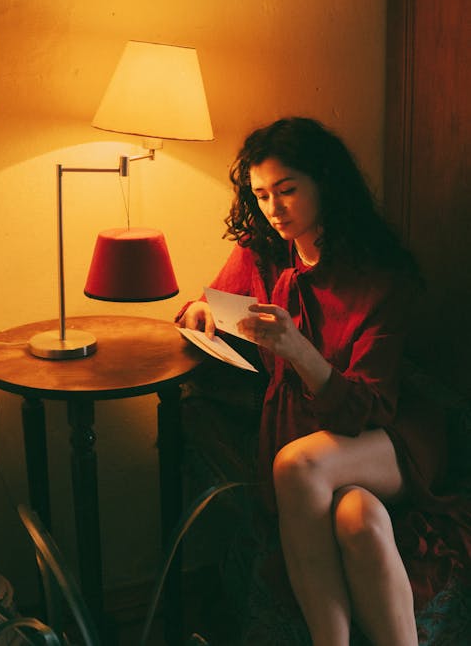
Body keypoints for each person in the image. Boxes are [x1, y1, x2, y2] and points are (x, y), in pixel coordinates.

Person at [177, 117, 470, 645]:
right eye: (262, 194)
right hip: (310, 430)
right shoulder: (261, 251)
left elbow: (368, 409)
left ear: (325, 184)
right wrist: (200, 309)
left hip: (387, 435)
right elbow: (216, 300)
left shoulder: (381, 275)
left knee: (298, 462)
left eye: (287, 190)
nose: (273, 208)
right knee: (358, 519)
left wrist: (296, 349)